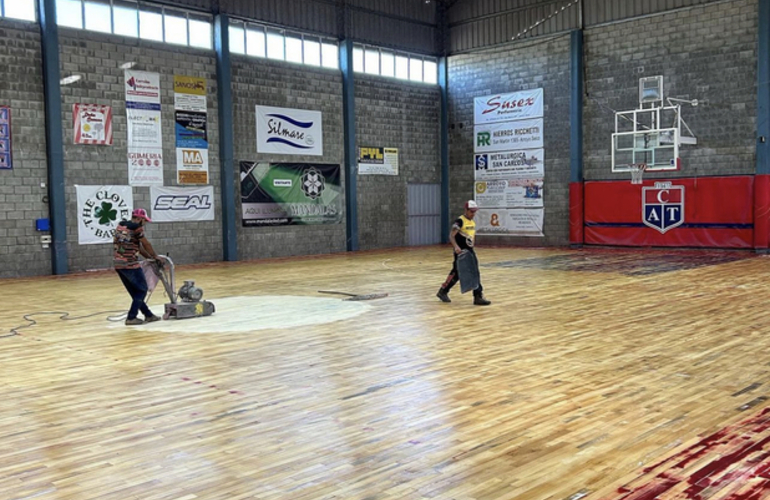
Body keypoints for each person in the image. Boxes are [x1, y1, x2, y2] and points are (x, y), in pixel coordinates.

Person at [113, 208, 163, 325]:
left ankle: (148, 315)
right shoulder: (136, 228)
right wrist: (155, 256)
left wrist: (149, 258)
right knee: (142, 289)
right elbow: (145, 243)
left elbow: (138, 247)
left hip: (118, 264)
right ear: (140, 219)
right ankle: (131, 317)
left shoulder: (121, 226)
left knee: (135, 292)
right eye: (144, 220)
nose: (145, 223)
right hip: (130, 264)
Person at [437, 200, 491, 306]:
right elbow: (451, 236)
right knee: (457, 273)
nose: (473, 214)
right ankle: (443, 290)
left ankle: (478, 296)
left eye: (474, 212)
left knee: (474, 272)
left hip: (469, 251)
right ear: (465, 210)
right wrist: (456, 247)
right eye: (471, 211)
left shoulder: (472, 222)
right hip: (461, 252)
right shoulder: (459, 221)